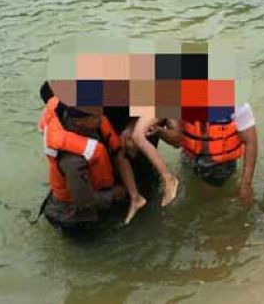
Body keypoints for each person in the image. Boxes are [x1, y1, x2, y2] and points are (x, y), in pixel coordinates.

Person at [38, 82, 126, 234]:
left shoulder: (71, 116)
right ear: (79, 121)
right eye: (95, 116)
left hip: (80, 188)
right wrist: (114, 194)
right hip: (70, 216)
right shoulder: (73, 160)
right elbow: (84, 202)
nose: (101, 118)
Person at [169, 102, 258, 208]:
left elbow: (251, 141)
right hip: (189, 155)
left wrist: (246, 183)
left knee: (207, 204)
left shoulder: (236, 104)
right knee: (188, 189)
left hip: (218, 165)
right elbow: (176, 142)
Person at [117, 116, 180, 223]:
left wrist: (158, 130)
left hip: (147, 178)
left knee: (136, 136)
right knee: (122, 144)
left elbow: (177, 140)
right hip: (116, 179)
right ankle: (136, 197)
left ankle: (169, 179)